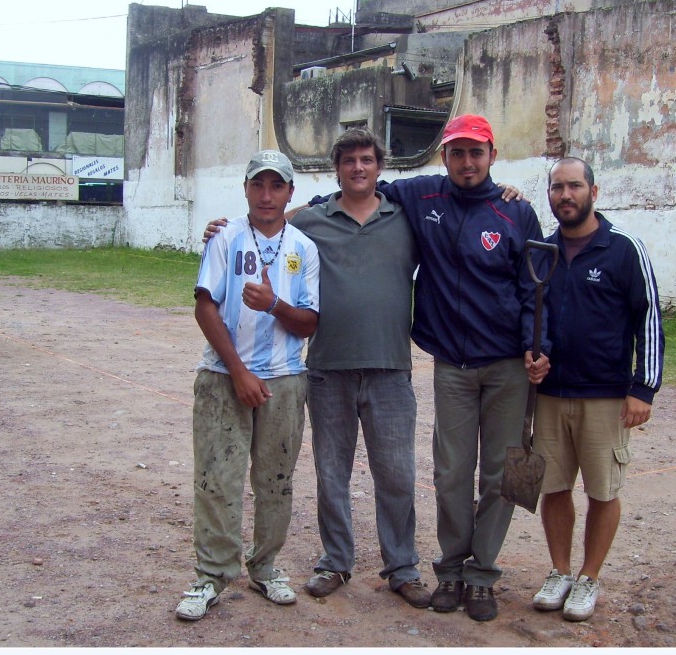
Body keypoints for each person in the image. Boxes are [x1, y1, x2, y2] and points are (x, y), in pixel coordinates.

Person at [202, 129, 431, 609]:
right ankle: (335, 561)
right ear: (337, 169)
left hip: (390, 367)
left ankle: (403, 567)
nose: (358, 168)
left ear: (379, 166)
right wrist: (222, 230)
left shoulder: (405, 219)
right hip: (328, 368)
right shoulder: (313, 220)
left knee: (397, 476)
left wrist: (508, 190)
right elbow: (269, 223)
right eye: (349, 161)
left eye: (367, 160)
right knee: (332, 474)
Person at [358, 115, 550, 622]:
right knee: (450, 475)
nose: (468, 162)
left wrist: (538, 346)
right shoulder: (423, 197)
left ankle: (482, 575)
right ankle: (449, 570)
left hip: (507, 365)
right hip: (453, 366)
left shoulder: (516, 212)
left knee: (501, 475)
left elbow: (535, 289)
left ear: (492, 154)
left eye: (477, 152)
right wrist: (290, 214)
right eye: (458, 152)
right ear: (445, 156)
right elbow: (361, 190)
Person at [175, 150, 320, 621]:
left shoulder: (303, 248)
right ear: (245, 189)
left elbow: (309, 323)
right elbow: (205, 306)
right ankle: (211, 575)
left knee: (275, 480)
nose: (266, 195)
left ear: (290, 193)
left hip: (283, 381)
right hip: (222, 377)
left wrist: (275, 302)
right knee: (217, 478)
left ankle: (266, 566)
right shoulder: (225, 239)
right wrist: (237, 371)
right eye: (258, 184)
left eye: (276, 186)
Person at [527, 156, 664, 622]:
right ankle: (559, 571)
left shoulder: (623, 249)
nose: (565, 195)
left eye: (574, 187)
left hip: (605, 394)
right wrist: (533, 353)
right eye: (557, 188)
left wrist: (643, 387)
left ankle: (588, 578)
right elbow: (532, 316)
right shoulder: (542, 251)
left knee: (602, 491)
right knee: (554, 487)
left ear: (593, 192)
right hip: (551, 395)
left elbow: (649, 317)